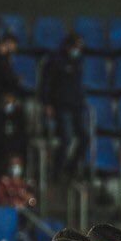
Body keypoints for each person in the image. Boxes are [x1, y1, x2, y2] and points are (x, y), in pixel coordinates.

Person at [40, 33, 87, 179]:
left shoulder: (78, 61)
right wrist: (47, 103)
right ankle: (56, 171)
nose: (78, 50)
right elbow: (46, 84)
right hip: (61, 106)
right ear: (68, 46)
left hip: (76, 106)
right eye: (75, 47)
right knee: (66, 138)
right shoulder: (55, 60)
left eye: (80, 47)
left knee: (85, 138)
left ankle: (71, 168)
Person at [0, 91, 28, 174]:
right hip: (1, 150)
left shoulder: (19, 115)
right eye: (6, 97)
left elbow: (22, 134)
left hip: (16, 149)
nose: (8, 100)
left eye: (10, 97)